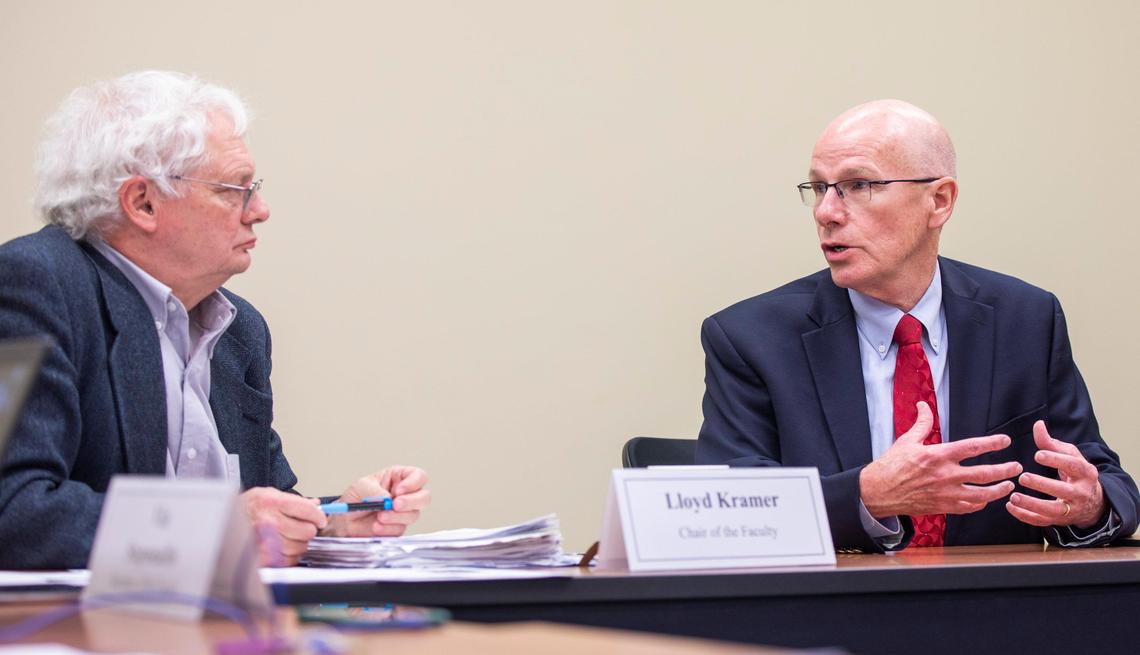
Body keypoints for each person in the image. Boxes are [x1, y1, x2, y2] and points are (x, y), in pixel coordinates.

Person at [0, 71, 430, 569]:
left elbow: (259, 510)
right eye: (236, 189)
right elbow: (14, 509)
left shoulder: (239, 330)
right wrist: (214, 530)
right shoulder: (35, 287)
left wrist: (331, 523)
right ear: (143, 202)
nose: (261, 211)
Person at [696, 99, 1140, 551]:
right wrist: (868, 495)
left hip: (994, 608)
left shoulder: (1025, 319)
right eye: (819, 188)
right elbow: (733, 506)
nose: (825, 212)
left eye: (858, 184)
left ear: (939, 201)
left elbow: (1104, 479)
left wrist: (1090, 504)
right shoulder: (751, 337)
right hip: (830, 610)